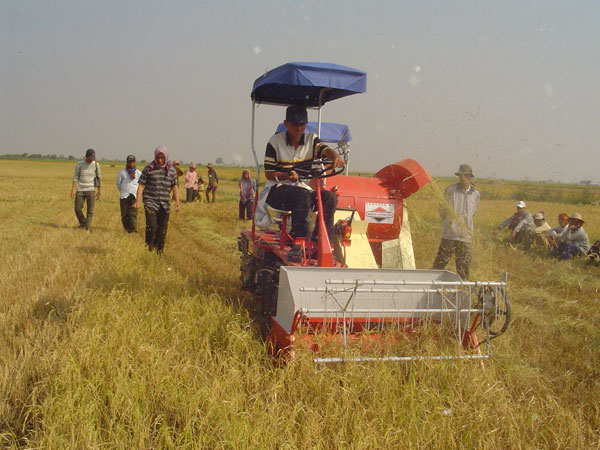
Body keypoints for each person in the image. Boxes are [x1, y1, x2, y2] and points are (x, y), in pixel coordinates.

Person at [258, 105, 344, 242]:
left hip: (302, 190)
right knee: (302, 195)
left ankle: (321, 239)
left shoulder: (312, 140)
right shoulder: (275, 142)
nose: (299, 128)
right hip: (277, 191)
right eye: (295, 124)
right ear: (286, 123)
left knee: (329, 197)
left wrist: (335, 157)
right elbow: (269, 174)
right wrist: (287, 175)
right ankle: (300, 240)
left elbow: (326, 150)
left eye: (302, 124)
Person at [432, 164, 480, 280]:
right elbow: (442, 208)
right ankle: (431, 288)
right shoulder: (450, 191)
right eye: (460, 175)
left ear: (469, 177)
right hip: (450, 234)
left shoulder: (476, 194)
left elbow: (473, 213)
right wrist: (449, 223)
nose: (462, 178)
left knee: (463, 268)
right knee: (440, 264)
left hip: (465, 236)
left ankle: (461, 292)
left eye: (465, 176)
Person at [135, 146, 180, 254]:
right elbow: (141, 185)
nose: (160, 160)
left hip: (164, 204)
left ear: (166, 157)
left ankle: (159, 251)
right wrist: (138, 200)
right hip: (150, 202)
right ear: (155, 157)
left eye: (162, 158)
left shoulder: (172, 171)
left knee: (162, 230)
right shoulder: (148, 169)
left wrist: (177, 202)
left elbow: (175, 186)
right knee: (152, 226)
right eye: (158, 157)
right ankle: (149, 247)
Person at [71, 148, 101, 232]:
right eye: (90, 159)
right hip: (80, 189)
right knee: (77, 209)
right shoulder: (79, 164)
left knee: (90, 211)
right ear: (86, 157)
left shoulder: (96, 165)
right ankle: (83, 223)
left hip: (91, 190)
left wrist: (99, 191)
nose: (91, 160)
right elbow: (75, 177)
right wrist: (73, 189)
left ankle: (87, 228)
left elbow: (98, 178)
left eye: (93, 159)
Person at [116, 154, 141, 233]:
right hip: (124, 196)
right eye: (130, 162)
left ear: (135, 162)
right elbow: (118, 183)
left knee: (133, 214)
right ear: (127, 162)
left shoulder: (138, 173)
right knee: (124, 214)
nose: (131, 164)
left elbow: (141, 185)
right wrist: (123, 190)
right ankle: (127, 230)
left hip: (134, 195)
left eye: (133, 162)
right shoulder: (122, 172)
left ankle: (133, 230)